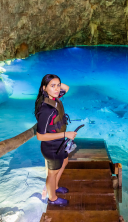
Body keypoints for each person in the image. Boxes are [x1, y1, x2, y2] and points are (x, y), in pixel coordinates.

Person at [34, 74, 77, 206]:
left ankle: (55, 187)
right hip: (51, 146)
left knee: (64, 161)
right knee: (52, 174)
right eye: (53, 86)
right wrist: (65, 134)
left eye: (58, 85)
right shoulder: (46, 110)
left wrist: (53, 81)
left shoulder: (54, 98)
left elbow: (67, 88)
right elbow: (40, 136)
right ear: (44, 88)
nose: (57, 89)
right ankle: (52, 198)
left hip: (59, 143)